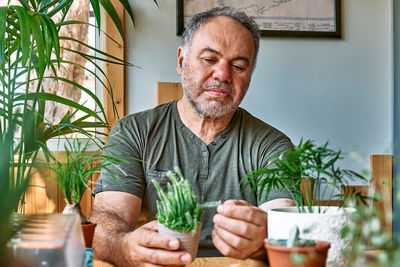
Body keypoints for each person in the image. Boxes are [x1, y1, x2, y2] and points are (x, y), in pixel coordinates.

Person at [91, 6, 295, 266]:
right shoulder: (134, 132)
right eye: (209, 60)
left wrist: (264, 239)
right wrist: (125, 247)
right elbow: (107, 221)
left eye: (239, 66)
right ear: (181, 61)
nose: (223, 74)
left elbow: (285, 227)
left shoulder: (273, 146)